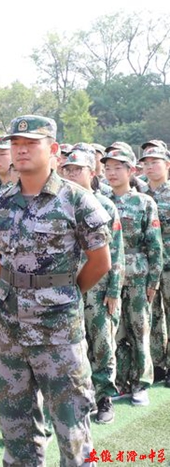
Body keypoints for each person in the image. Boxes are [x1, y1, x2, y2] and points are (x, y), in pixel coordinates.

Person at [0, 115, 112, 466]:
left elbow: (100, 262)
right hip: (9, 328)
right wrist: (21, 288)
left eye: (31, 143)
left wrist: (61, 292)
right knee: (15, 424)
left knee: (72, 425)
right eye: (16, 144)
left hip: (58, 333)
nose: (21, 150)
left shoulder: (77, 200)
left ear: (53, 149)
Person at [60, 143, 125, 424]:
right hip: (67, 286)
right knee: (72, 346)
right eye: (68, 169)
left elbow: (117, 253)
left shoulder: (105, 205)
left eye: (78, 169)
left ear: (91, 172)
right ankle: (77, 399)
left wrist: (114, 290)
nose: (72, 174)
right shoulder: (59, 204)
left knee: (101, 343)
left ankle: (104, 398)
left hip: (98, 288)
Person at [102, 146, 162, 406]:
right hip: (108, 276)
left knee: (139, 328)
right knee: (114, 333)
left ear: (131, 171)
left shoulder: (143, 202)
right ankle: (119, 381)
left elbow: (154, 244)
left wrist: (154, 281)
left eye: (118, 168)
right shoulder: (102, 201)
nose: (112, 173)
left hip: (137, 274)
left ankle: (141, 383)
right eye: (107, 168)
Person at [140, 142, 170, 385]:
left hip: (169, 264)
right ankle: (158, 364)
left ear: (167, 165)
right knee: (153, 316)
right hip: (147, 266)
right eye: (146, 163)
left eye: (155, 162)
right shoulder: (139, 194)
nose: (150, 167)